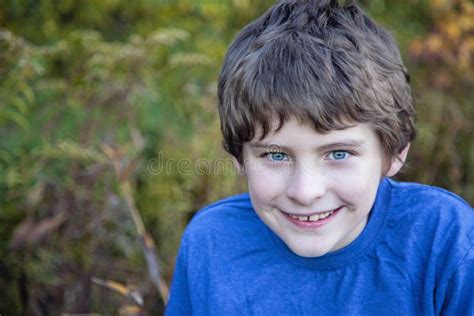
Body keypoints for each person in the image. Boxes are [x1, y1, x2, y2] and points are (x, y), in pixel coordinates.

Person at [165, 0, 474, 314]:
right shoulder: (212, 243)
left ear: (395, 150)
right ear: (238, 155)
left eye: (338, 153)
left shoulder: (442, 239)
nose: (305, 192)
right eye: (275, 156)